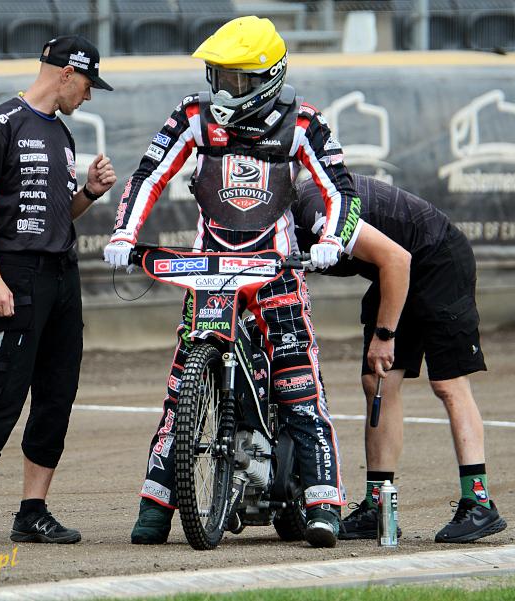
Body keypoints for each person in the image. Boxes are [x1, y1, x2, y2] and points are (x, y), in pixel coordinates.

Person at [103, 16, 406, 548]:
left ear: (268, 77)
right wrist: (124, 233)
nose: (224, 88)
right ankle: (156, 504)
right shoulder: (193, 115)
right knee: (181, 385)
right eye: (218, 75)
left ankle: (323, 504)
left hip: (277, 270)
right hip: (210, 272)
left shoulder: (304, 121)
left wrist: (332, 238)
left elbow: (340, 189)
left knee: (299, 384)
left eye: (236, 78)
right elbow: (149, 173)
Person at [0, 34, 116, 545]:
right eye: (87, 83)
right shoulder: (0, 124)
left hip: (63, 274)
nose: (89, 94)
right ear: (66, 73)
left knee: (58, 393)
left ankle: (32, 510)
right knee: (3, 390)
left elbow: (60, 213)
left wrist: (89, 193)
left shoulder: (63, 135)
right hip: (16, 273)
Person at [293, 174, 508, 543]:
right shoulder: (271, 223)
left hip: (437, 258)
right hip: (396, 270)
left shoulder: (314, 206)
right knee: (378, 381)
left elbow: (397, 258)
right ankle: (378, 505)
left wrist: (385, 335)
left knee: (448, 383)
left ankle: (479, 502)